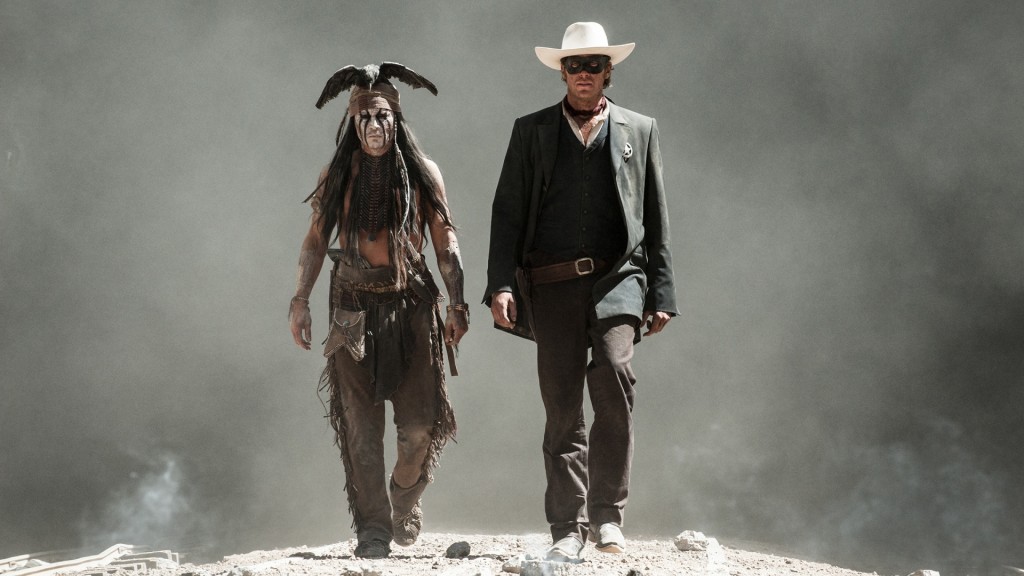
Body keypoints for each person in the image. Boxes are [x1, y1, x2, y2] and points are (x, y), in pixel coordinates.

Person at [484, 22, 678, 562]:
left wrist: (662, 291)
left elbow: (656, 215)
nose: (584, 74)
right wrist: (500, 284)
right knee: (562, 402)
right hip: (551, 283)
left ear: (608, 71)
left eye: (594, 65)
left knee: (614, 376)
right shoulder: (532, 131)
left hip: (619, 280)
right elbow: (507, 211)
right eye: (575, 65)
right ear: (562, 71)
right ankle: (567, 527)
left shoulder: (640, 129)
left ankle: (608, 515)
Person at [289, 62, 468, 559]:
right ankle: (373, 530)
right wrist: (300, 301)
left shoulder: (424, 173)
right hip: (351, 309)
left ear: (396, 119)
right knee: (360, 429)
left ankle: (403, 499)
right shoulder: (336, 176)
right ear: (353, 121)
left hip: (411, 308)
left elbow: (445, 240)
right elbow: (314, 241)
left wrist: (457, 303)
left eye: (383, 116)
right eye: (365, 117)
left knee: (420, 427)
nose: (374, 126)